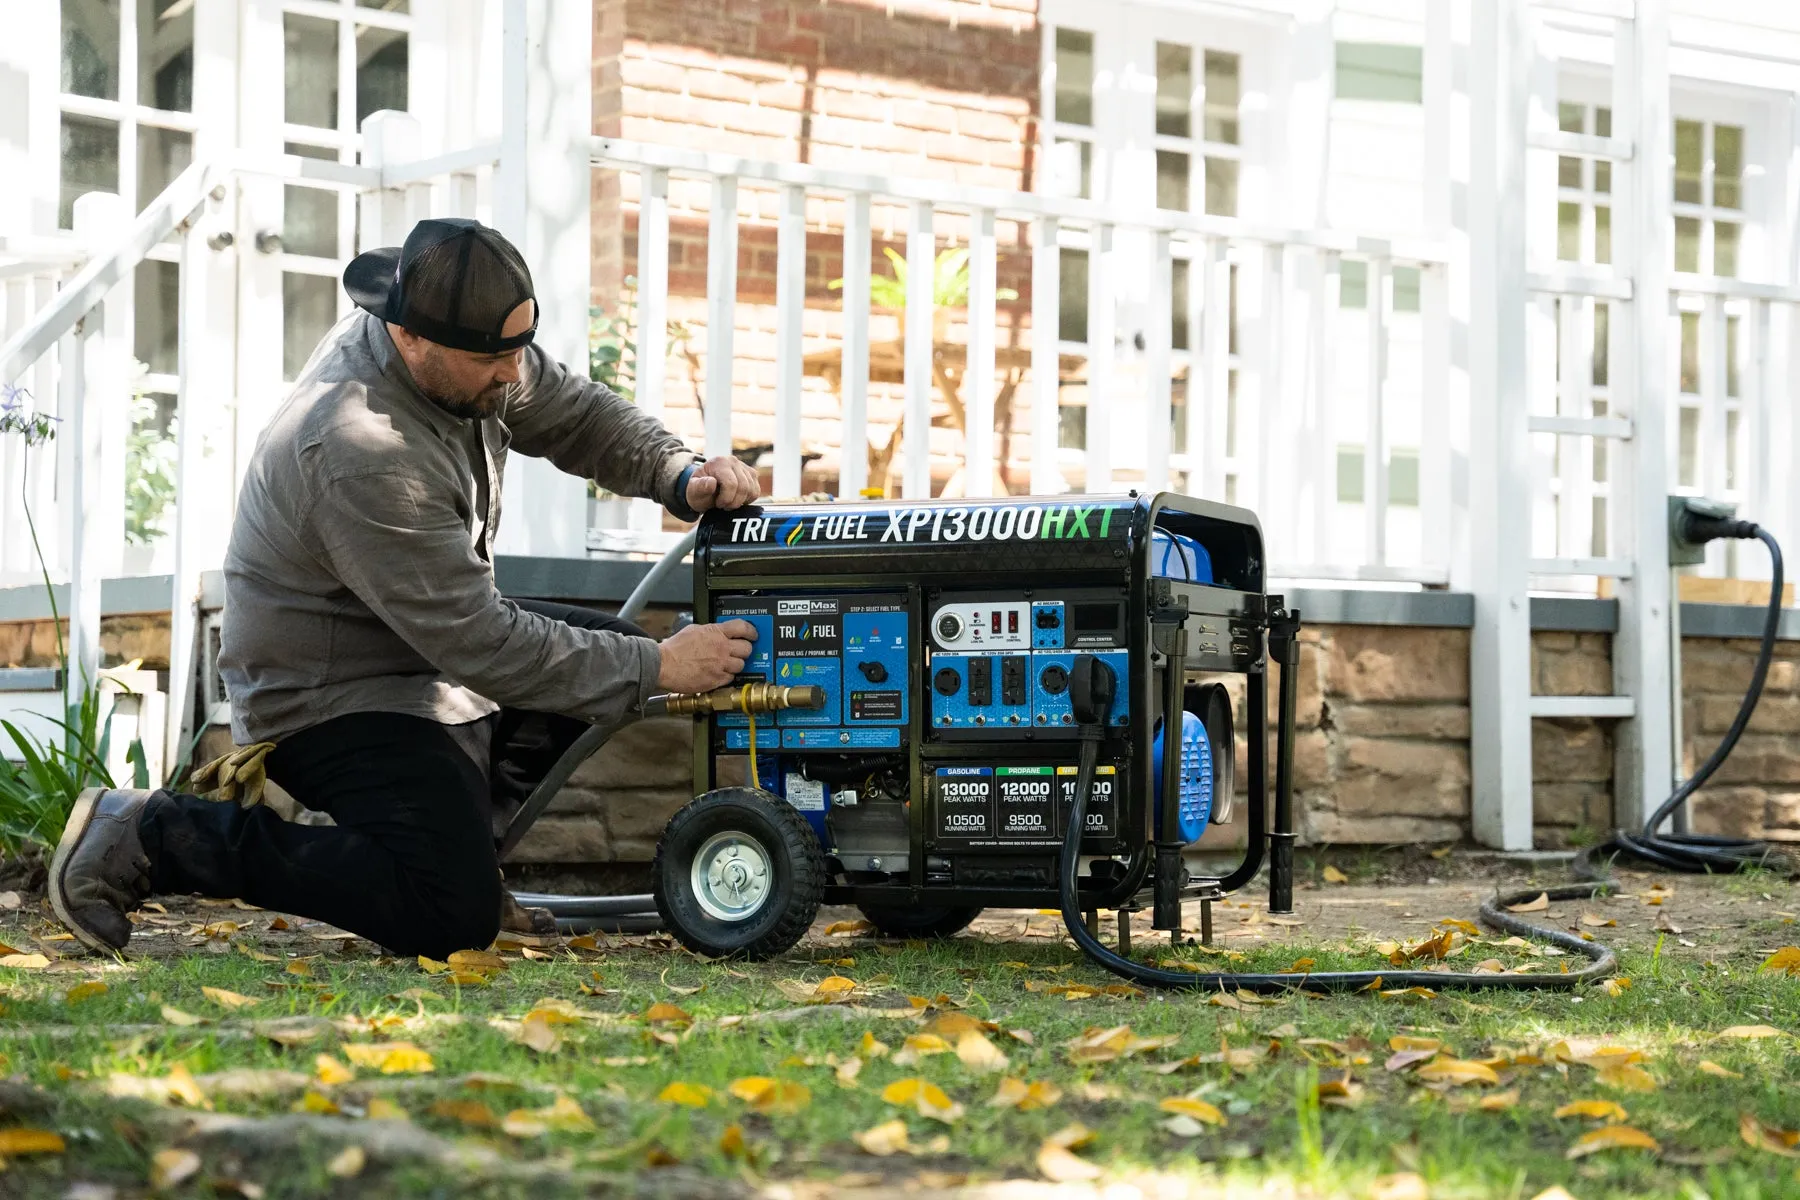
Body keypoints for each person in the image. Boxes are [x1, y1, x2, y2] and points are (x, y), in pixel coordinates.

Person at [47, 217, 760, 959]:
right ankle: (153, 832)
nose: (514, 374)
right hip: (329, 696)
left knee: (604, 656)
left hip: (422, 662)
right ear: (410, 337)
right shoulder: (361, 447)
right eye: (494, 358)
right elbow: (481, 643)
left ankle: (459, 857)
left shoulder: (464, 344)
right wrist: (662, 666)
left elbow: (573, 413)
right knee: (448, 914)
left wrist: (678, 474)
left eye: (519, 349)